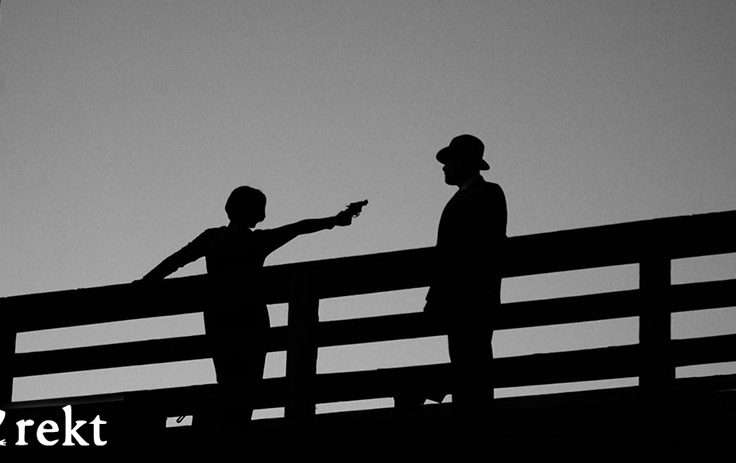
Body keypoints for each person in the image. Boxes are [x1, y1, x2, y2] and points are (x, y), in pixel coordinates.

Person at [140, 187, 366, 433]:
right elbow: (298, 228)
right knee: (247, 383)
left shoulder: (215, 238)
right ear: (246, 210)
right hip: (250, 319)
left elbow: (176, 260)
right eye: (259, 209)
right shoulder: (254, 241)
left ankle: (230, 431)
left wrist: (146, 282)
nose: (263, 216)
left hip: (221, 317)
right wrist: (334, 221)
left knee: (229, 380)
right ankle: (237, 431)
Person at [398, 134, 506, 411]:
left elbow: (484, 247)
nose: (444, 167)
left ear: (464, 161)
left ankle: (457, 406)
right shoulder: (466, 197)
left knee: (471, 358)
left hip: (471, 294)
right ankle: (454, 403)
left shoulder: (486, 193)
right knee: (466, 357)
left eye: (449, 161)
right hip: (460, 295)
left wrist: (480, 292)